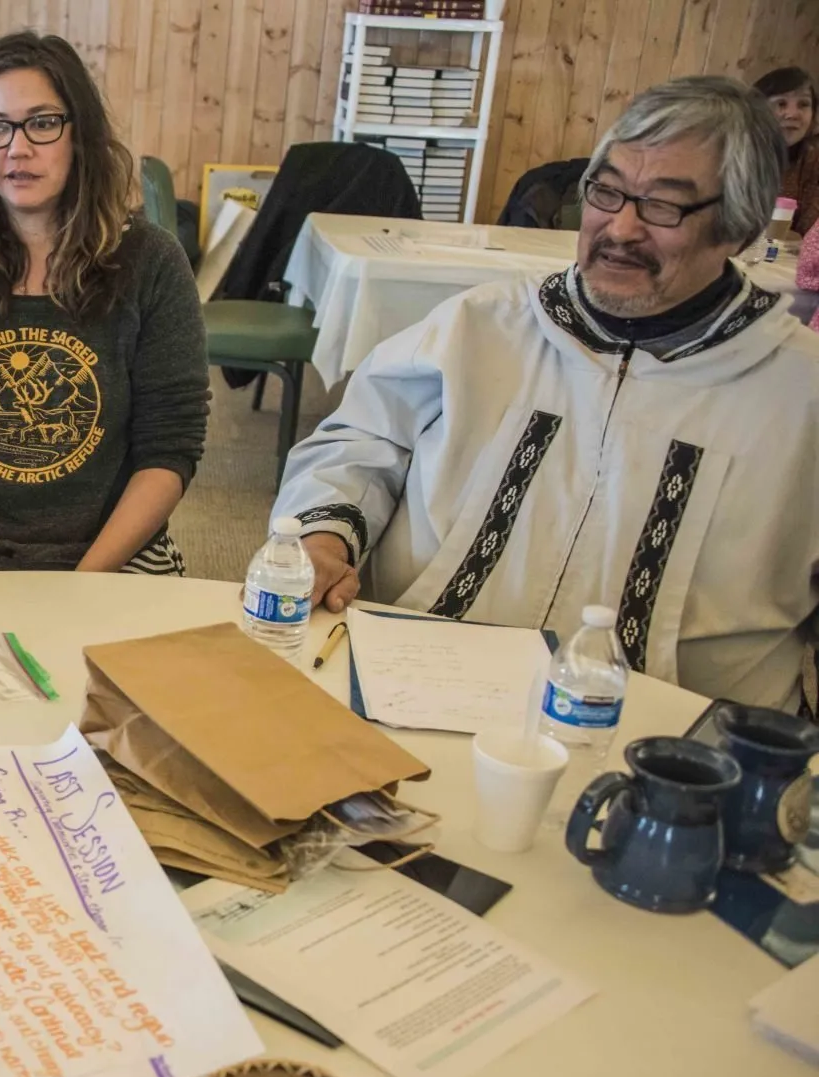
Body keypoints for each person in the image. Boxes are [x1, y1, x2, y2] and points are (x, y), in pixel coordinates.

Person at [273, 76, 818, 710]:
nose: (621, 228)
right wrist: (323, 538)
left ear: (740, 225)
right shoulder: (482, 325)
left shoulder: (797, 389)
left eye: (663, 206)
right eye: (606, 192)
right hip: (417, 679)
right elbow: (362, 440)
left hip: (676, 742)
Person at [0, 31, 210, 575]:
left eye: (43, 123)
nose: (17, 149)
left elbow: (170, 448)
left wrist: (81, 584)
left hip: (113, 557)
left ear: (81, 135)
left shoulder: (153, 261)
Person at [755, 66, 818, 234]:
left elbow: (812, 234)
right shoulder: (732, 152)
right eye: (781, 104)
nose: (793, 114)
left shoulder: (812, 159)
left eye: (803, 104)